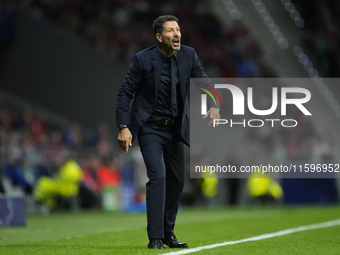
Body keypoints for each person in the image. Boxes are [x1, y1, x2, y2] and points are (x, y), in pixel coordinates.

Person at [116, 15, 220, 249]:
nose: (177, 34)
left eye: (179, 29)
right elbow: (125, 93)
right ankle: (155, 237)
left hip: (175, 130)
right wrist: (123, 127)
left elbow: (205, 82)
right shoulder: (142, 59)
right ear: (159, 36)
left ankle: (167, 233)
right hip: (150, 129)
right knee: (158, 178)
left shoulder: (189, 55)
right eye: (171, 30)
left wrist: (215, 106)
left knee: (177, 182)